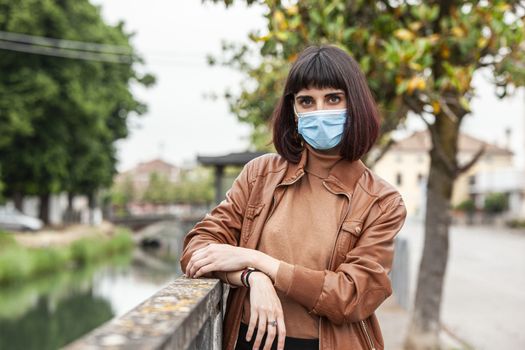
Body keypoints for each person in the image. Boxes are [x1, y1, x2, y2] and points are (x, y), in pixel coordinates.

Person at [180, 45, 407, 350]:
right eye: (306, 101)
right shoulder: (259, 175)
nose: (319, 111)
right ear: (294, 110)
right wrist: (252, 276)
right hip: (248, 340)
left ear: (356, 105)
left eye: (333, 98)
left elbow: (351, 295)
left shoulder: (381, 201)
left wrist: (262, 262)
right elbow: (198, 250)